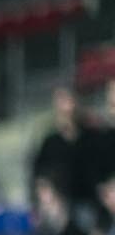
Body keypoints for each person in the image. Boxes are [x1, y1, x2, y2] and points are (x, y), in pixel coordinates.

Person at [33, 86, 97, 227]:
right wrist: (46, 200)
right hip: (60, 207)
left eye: (68, 101)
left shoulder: (91, 137)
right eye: (60, 102)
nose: (66, 108)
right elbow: (40, 175)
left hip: (88, 204)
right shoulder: (50, 142)